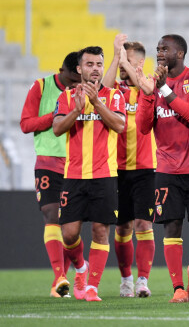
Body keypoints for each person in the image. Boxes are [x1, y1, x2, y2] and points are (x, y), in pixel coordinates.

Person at [135, 34, 189, 303]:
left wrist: (163, 90)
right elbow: (143, 127)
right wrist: (149, 94)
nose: (159, 52)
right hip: (167, 169)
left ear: (180, 53)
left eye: (164, 49)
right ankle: (178, 289)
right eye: (157, 49)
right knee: (170, 226)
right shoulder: (152, 85)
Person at [52, 46, 126, 302]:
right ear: (79, 69)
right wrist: (76, 109)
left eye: (98, 64)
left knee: (100, 231)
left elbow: (119, 124)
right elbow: (57, 129)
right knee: (69, 234)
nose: (95, 68)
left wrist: (96, 103)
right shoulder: (66, 96)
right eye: (90, 64)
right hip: (73, 175)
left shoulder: (114, 96)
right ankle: (81, 268)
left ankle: (92, 286)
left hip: (104, 175)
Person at [20, 51, 81, 298]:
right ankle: (60, 278)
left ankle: (71, 276)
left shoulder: (85, 89)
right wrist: (57, 117)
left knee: (69, 225)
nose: (75, 85)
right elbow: (26, 124)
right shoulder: (41, 86)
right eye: (72, 80)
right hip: (47, 160)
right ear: (62, 71)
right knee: (51, 213)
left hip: (77, 162)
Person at [102, 34, 157, 298]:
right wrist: (116, 57)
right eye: (120, 67)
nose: (122, 71)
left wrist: (125, 61)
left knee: (144, 225)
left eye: (127, 65)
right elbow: (102, 86)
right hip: (115, 168)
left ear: (140, 64)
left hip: (146, 167)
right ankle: (126, 279)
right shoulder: (114, 90)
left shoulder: (151, 84)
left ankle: (143, 280)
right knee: (122, 227)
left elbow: (147, 90)